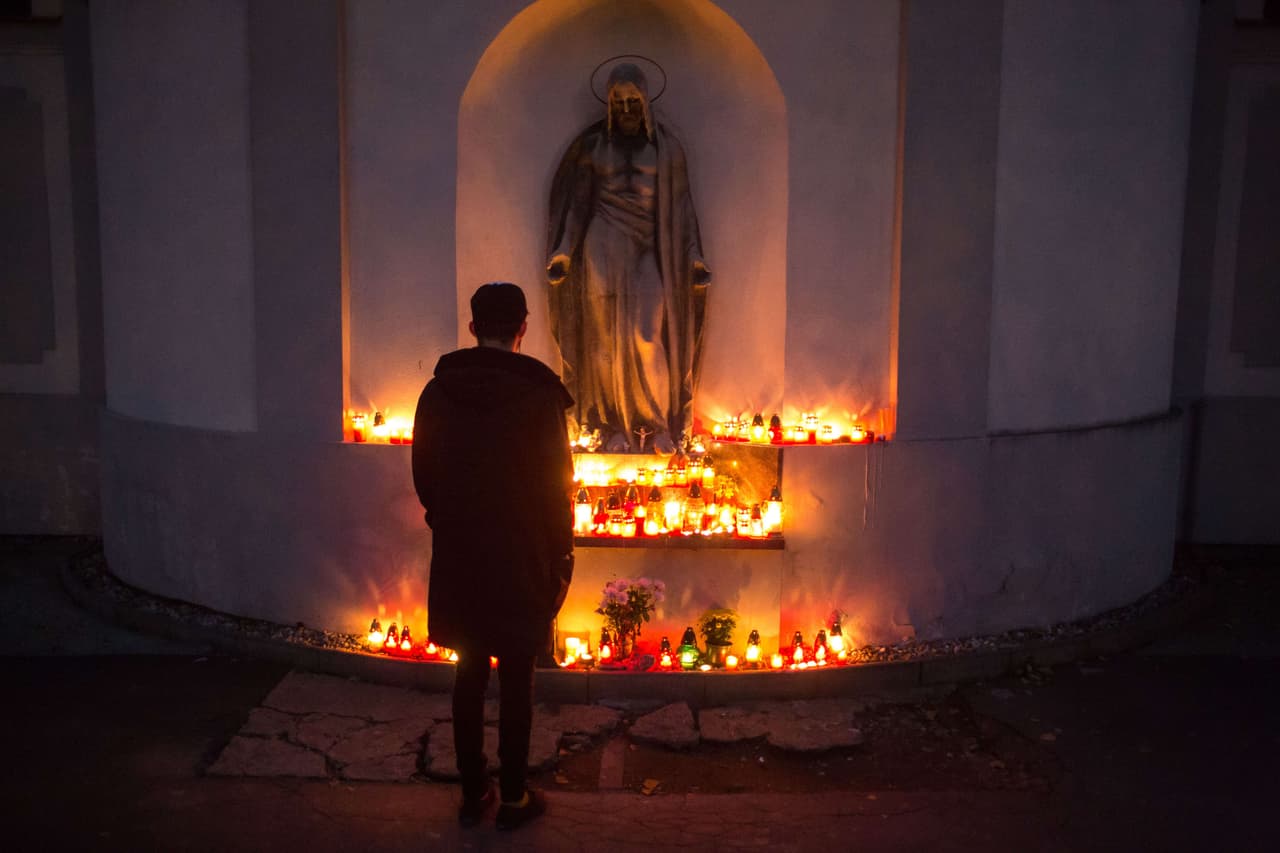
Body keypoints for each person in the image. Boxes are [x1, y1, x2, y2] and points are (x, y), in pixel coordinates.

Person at [412, 282, 574, 831]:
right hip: (522, 551)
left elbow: (425, 475)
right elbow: (558, 485)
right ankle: (512, 795)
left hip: (461, 550)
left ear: (474, 325)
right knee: (517, 678)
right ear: (523, 327)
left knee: (469, 670)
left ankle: (471, 788)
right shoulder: (540, 395)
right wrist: (560, 553)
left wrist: (451, 519)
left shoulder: (438, 392)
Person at [547, 62, 711, 454]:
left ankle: (653, 425)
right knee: (604, 340)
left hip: (648, 247)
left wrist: (694, 257)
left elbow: (682, 208)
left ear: (645, 101)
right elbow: (579, 204)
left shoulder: (667, 150)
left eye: (632, 101)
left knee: (646, 334)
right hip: (602, 243)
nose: (625, 110)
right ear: (608, 105)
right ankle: (607, 426)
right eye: (617, 102)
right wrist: (563, 250)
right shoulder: (593, 148)